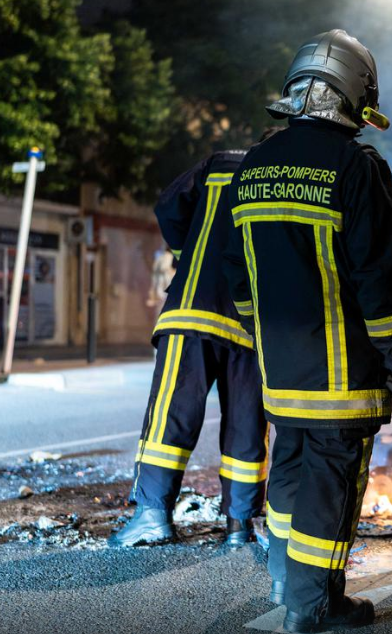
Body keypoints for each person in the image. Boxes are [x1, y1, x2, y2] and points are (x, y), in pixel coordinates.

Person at [223, 29, 392, 634]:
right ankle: (312, 606)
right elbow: (377, 278)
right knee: (330, 485)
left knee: (288, 466)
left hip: (280, 372)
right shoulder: (357, 166)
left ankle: (287, 579)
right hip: (342, 374)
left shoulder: (253, 165)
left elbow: (239, 277)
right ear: (356, 95)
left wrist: (267, 337)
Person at [110, 145, 269, 549]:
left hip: (194, 310)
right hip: (253, 324)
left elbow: (168, 206)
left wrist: (189, 250)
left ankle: (152, 516)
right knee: (247, 425)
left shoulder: (222, 163)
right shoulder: (283, 173)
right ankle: (239, 526)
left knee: (172, 417)